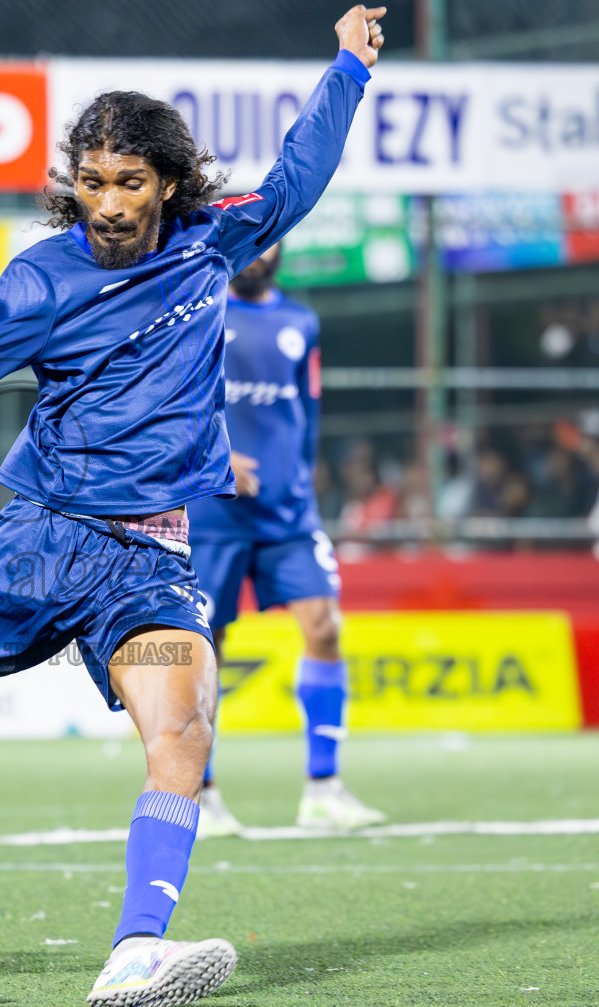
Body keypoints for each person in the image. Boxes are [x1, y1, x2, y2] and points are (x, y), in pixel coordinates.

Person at [0, 7, 384, 1007]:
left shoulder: (211, 245)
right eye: (91, 183)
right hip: (39, 546)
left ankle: (136, 949)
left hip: (150, 562)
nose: (107, 203)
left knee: (182, 735)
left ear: (168, 184)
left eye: (129, 183)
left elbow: (302, 168)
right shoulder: (40, 280)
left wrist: (349, 66)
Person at [186, 243, 385, 838]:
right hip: (214, 510)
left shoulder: (301, 321)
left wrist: (303, 476)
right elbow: (170, 404)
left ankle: (324, 790)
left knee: (325, 626)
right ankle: (199, 792)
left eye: (273, 239)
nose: (261, 251)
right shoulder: (197, 312)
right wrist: (216, 457)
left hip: (290, 513)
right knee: (203, 648)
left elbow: (307, 413)